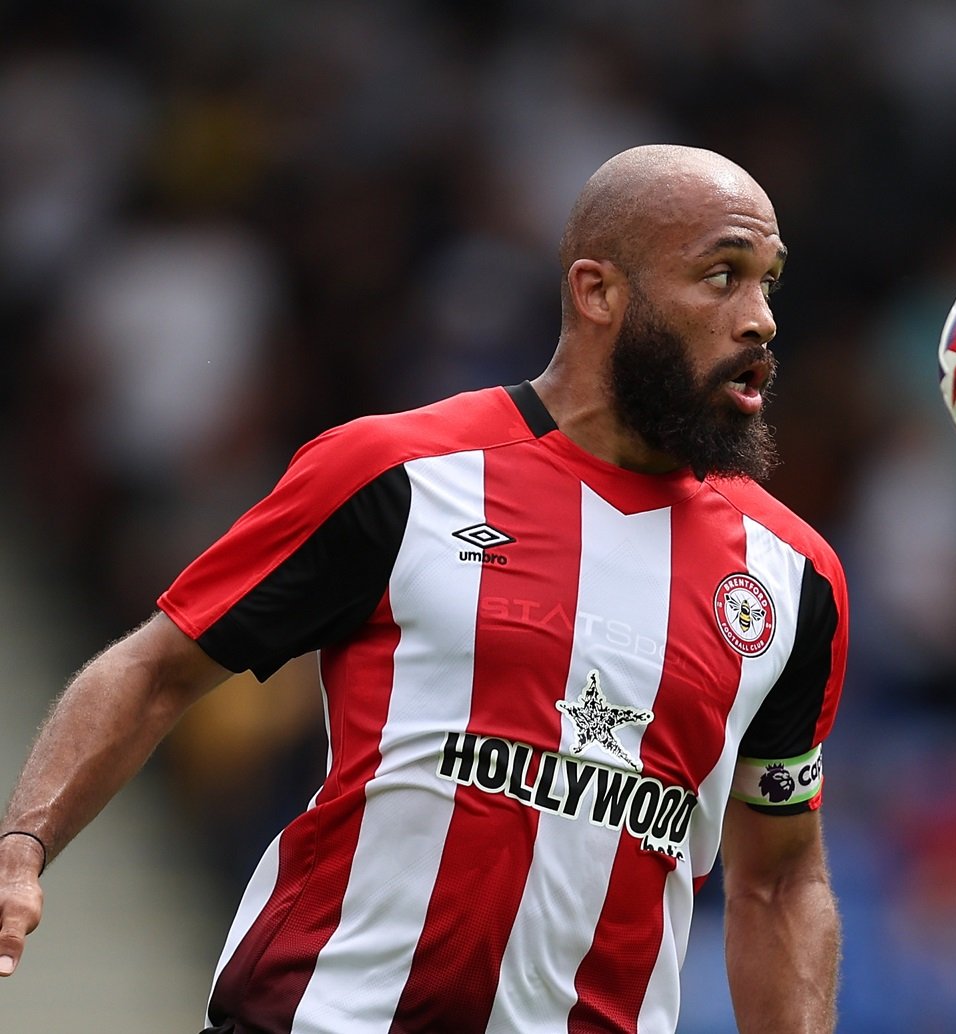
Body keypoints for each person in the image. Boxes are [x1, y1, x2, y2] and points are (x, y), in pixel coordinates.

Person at [0, 144, 848, 1033]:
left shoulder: (793, 578)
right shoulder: (399, 473)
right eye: (721, 276)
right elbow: (155, 670)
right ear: (598, 292)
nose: (760, 320)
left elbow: (779, 879)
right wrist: (24, 846)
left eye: (768, 283)